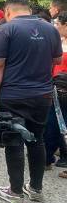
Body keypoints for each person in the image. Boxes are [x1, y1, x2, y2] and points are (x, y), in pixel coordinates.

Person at [0, 0, 62, 203]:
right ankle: (36, 189)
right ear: (28, 10)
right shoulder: (50, 29)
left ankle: (16, 191)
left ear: (8, 12)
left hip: (12, 96)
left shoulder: (5, 30)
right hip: (42, 95)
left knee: (14, 141)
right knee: (37, 140)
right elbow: (56, 59)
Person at [44, 11, 67, 169]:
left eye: (58, 24)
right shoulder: (59, 40)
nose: (56, 27)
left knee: (54, 123)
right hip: (55, 87)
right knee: (56, 123)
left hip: (63, 89)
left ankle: (47, 158)